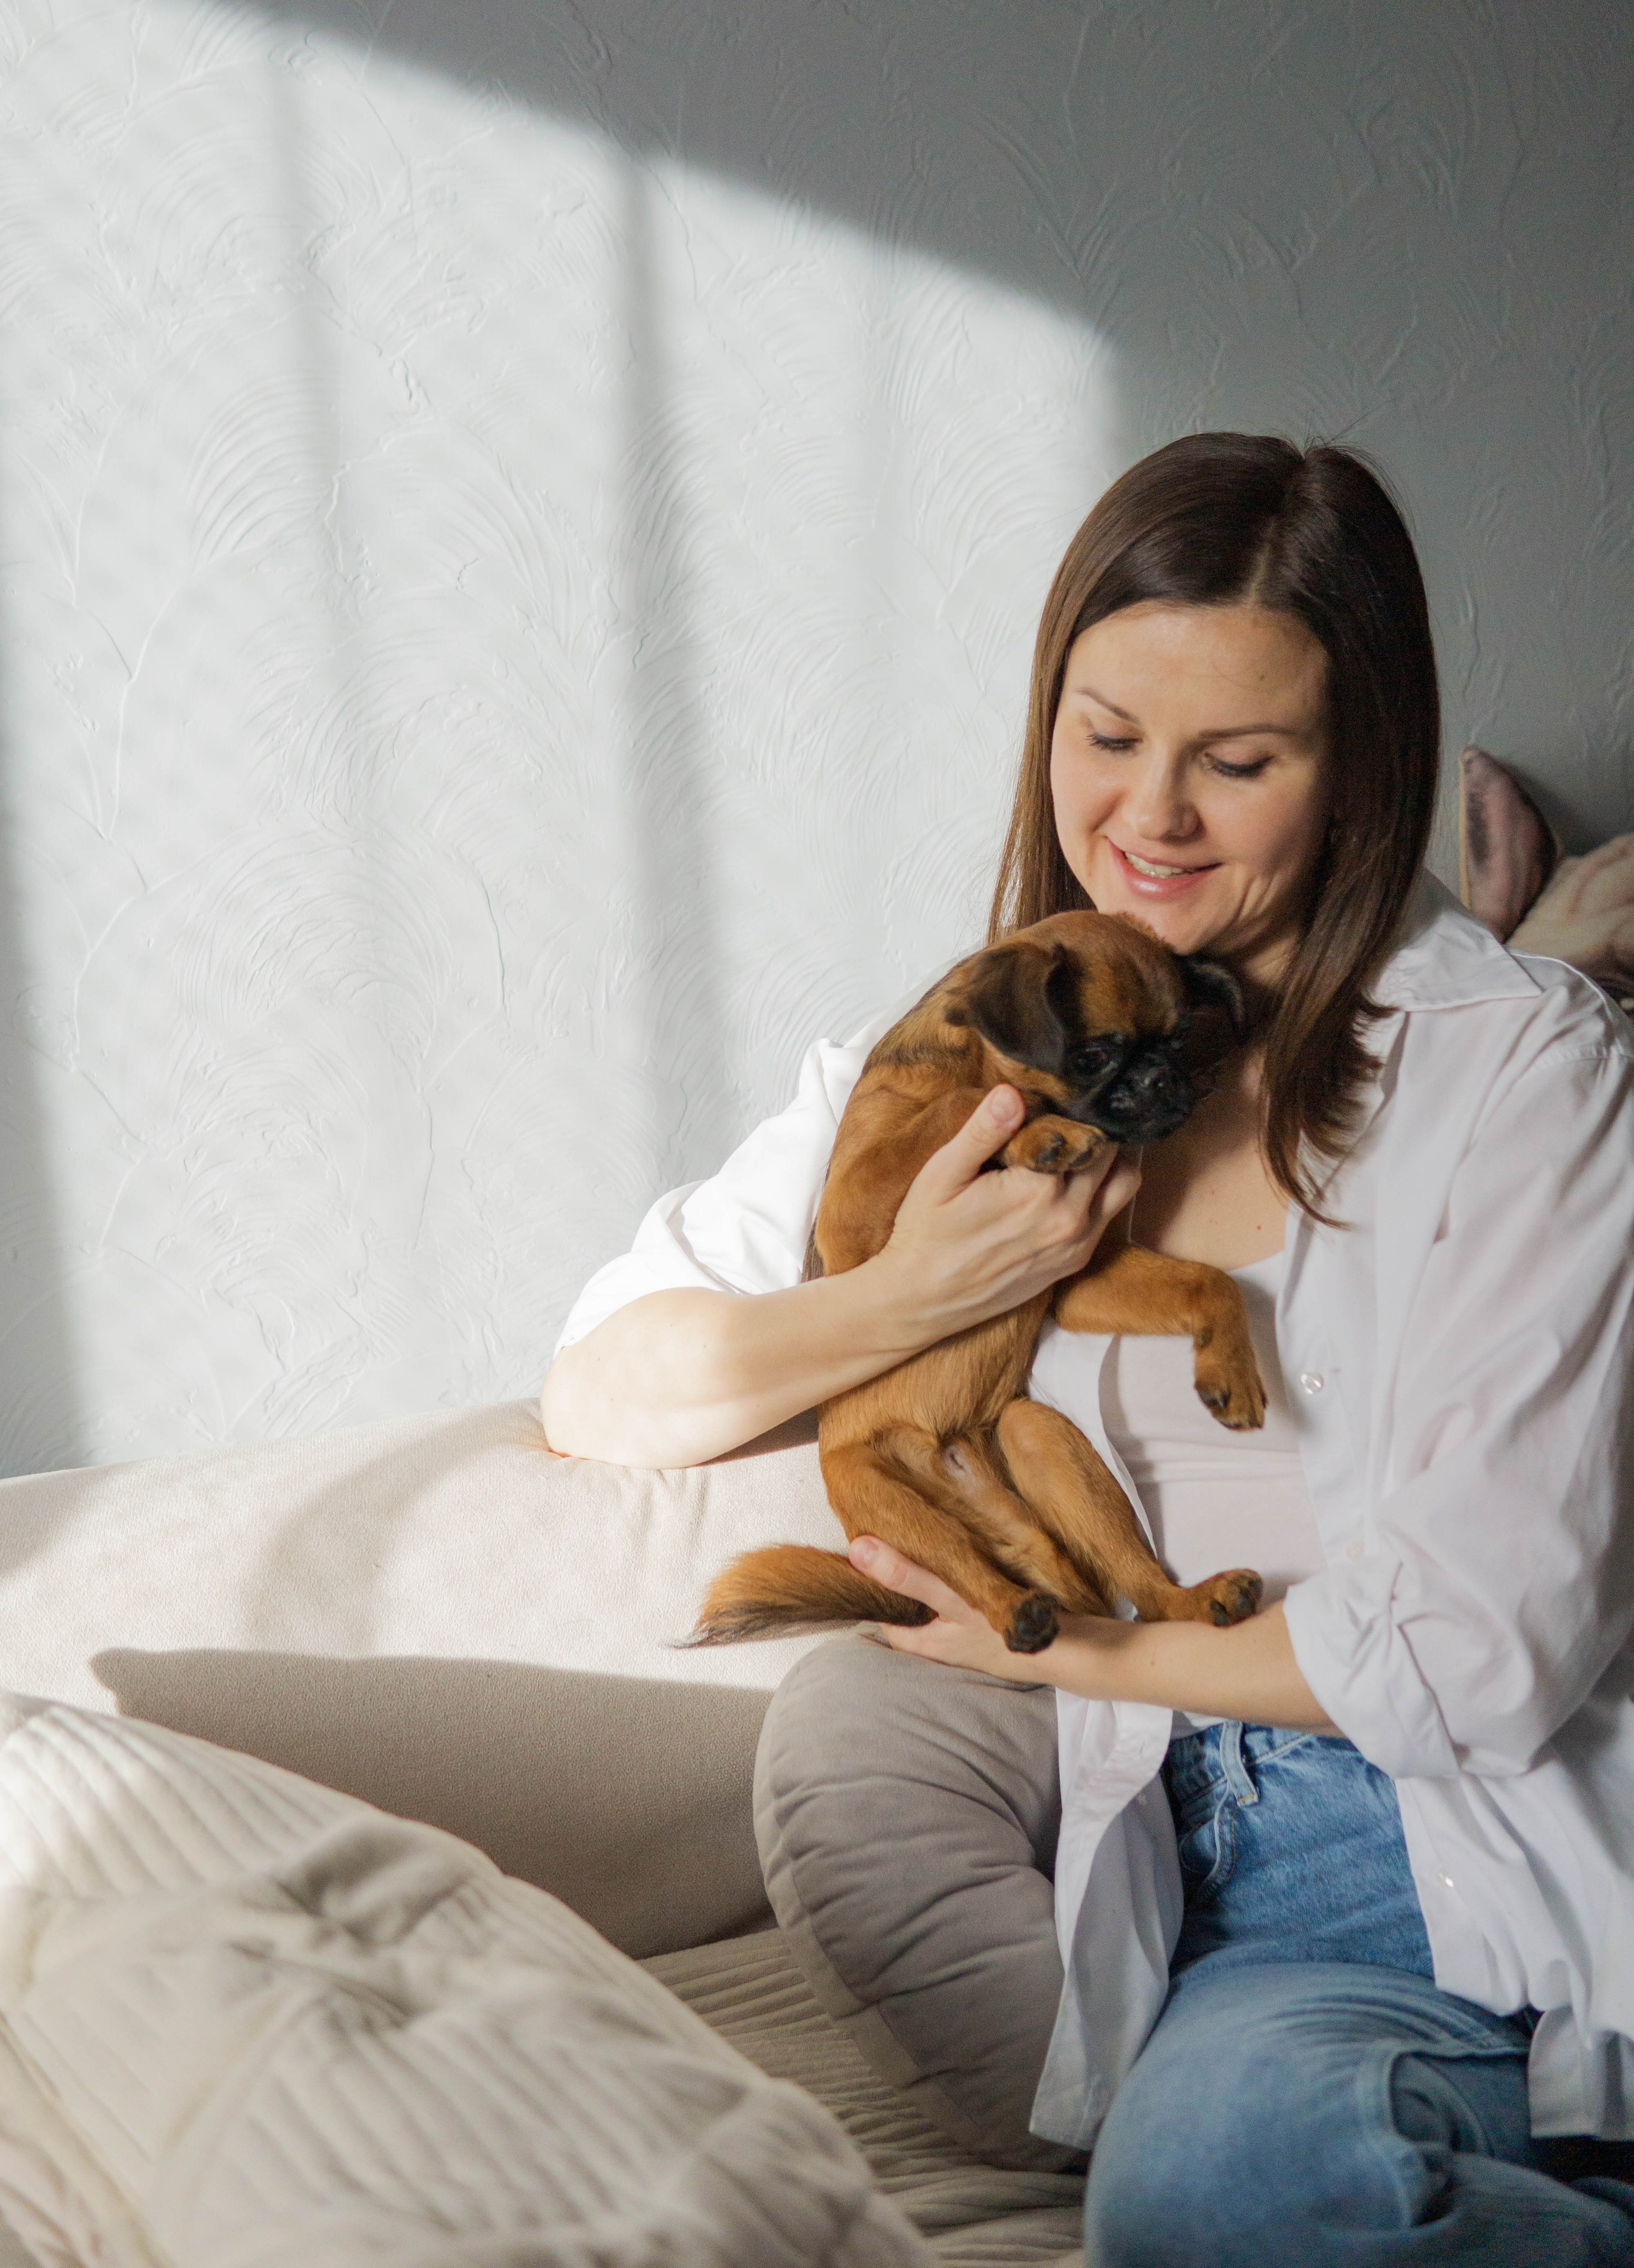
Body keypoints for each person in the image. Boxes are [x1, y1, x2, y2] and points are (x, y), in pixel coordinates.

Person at [543, 433, 1634, 2264]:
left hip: (1492, 1835)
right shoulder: (975, 1047)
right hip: (1222, 1892)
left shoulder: (1527, 1079)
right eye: (1106, 734)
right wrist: (920, 1287)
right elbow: (605, 1381)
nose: (1151, 818)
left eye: (1240, 761)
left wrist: (1090, 1644)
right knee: (1206, 2191)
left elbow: (1488, 1652)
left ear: (1362, 769)